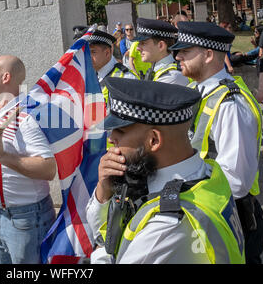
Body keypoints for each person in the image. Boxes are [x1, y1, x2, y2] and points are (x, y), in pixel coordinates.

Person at [86, 78, 245, 264]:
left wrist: (100, 246)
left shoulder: (166, 224)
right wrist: (104, 191)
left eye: (120, 132)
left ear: (153, 140)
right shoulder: (210, 171)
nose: (111, 138)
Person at [171, 21, 263, 264]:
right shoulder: (201, 91)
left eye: (185, 51)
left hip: (230, 215)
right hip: (210, 210)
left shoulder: (230, 106)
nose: (178, 56)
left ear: (209, 54)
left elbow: (236, 181)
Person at [0, 55, 56, 264]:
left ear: (6, 77)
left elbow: (48, 168)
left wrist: (2, 155)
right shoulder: (1, 112)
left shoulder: (26, 118)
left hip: (27, 220)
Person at [134, 18, 189, 85]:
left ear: (161, 46)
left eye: (143, 43)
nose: (138, 48)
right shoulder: (159, 71)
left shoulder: (171, 77)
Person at [88, 30, 133, 103]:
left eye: (93, 52)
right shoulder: (93, 76)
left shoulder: (126, 78)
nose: (88, 57)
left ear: (107, 53)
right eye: (87, 52)